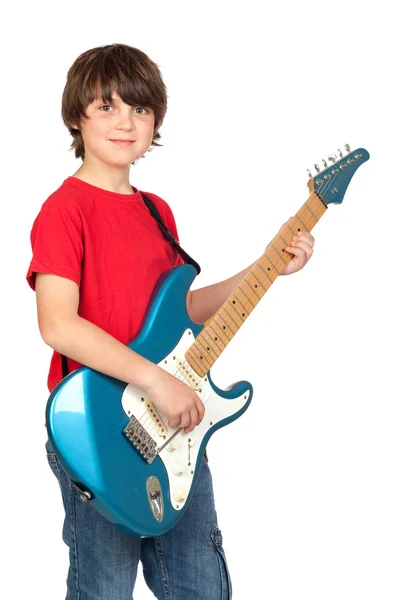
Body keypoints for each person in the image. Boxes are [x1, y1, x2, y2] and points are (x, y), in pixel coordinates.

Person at [26, 43, 315, 600]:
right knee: (104, 587)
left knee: (201, 586)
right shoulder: (64, 210)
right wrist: (157, 381)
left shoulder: (157, 211)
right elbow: (58, 325)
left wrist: (268, 267)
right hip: (100, 428)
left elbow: (181, 313)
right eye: (106, 107)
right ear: (74, 118)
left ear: (155, 120)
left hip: (174, 428)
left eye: (139, 109)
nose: (125, 122)